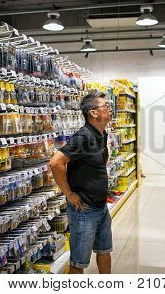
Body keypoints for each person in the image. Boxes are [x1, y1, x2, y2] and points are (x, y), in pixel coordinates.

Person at [49, 91, 113, 274]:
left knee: (105, 250)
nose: (109, 109)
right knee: (78, 263)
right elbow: (55, 162)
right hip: (84, 210)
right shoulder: (83, 137)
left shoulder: (101, 134)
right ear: (93, 113)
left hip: (101, 206)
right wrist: (69, 194)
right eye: (105, 106)